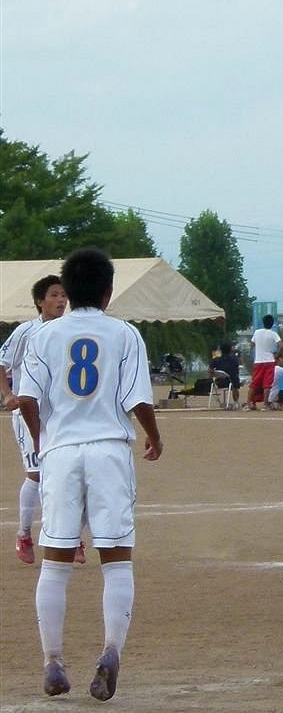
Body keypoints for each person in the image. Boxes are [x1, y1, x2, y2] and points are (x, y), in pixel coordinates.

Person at [16, 247, 163, 700]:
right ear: (107, 292)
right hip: (108, 450)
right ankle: (110, 651)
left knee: (56, 561)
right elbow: (139, 399)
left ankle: (53, 661)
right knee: (116, 559)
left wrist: (43, 440)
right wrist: (154, 437)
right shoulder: (124, 334)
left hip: (61, 452)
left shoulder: (43, 336)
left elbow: (26, 400)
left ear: (67, 290)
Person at [0, 276, 81, 565]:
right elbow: (2, 363)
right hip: (27, 411)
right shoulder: (26, 331)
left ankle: (70, 536)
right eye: (55, 295)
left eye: (64, 295)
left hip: (60, 413)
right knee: (37, 473)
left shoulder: (70, 330)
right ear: (40, 301)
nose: (61, 300)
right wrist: (8, 394)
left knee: (67, 471)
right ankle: (24, 533)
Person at [245, 314, 283, 411]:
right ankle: (266, 405)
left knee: (254, 384)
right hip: (269, 361)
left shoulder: (257, 332)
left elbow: (252, 344)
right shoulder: (273, 334)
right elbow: (282, 346)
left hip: (258, 361)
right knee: (267, 384)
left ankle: (248, 404)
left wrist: (256, 350)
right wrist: (277, 355)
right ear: (272, 324)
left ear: (263, 322)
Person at [209, 342, 241, 409]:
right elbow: (236, 371)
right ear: (230, 350)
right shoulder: (234, 359)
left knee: (233, 380)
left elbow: (210, 370)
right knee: (235, 381)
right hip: (231, 383)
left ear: (221, 350)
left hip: (219, 383)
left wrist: (213, 376)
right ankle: (236, 402)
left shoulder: (216, 359)